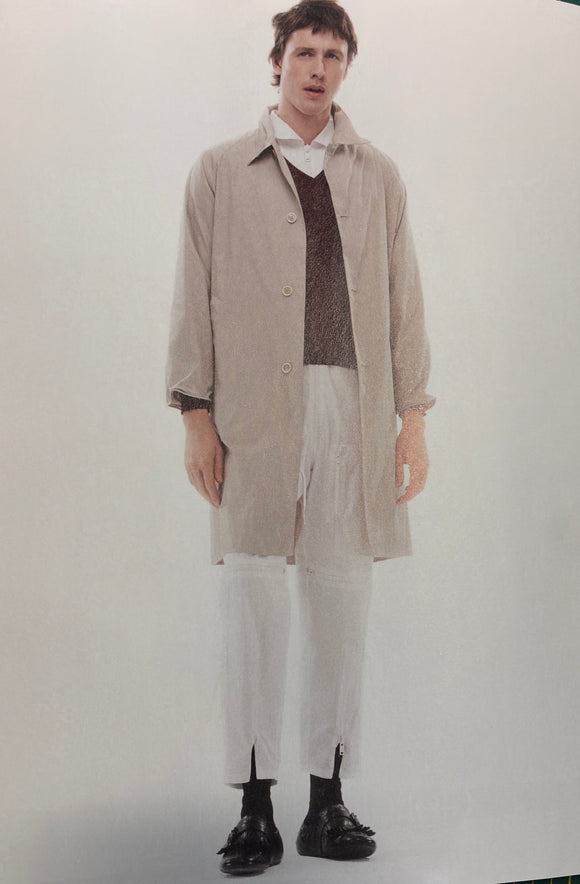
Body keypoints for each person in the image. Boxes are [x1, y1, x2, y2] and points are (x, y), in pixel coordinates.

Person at [166, 0, 435, 874]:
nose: (318, 69)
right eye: (305, 52)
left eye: (334, 55)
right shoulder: (220, 171)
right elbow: (192, 295)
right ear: (277, 61)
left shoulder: (378, 174)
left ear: (347, 66)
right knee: (251, 598)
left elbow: (404, 299)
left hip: (354, 406)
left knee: (343, 599)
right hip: (252, 409)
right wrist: (195, 412)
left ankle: (328, 802)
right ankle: (255, 809)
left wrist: (413, 419)